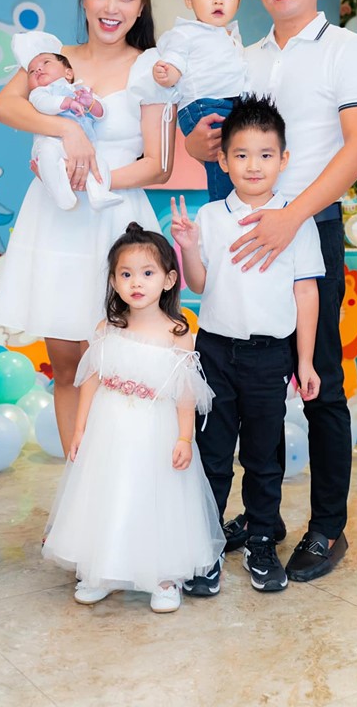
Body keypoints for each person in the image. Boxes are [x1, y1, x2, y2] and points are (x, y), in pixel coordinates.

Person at [184, 0, 357, 582]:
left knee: (318, 380)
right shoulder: (245, 57)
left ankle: (327, 527)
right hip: (245, 235)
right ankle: (258, 516)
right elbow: (217, 141)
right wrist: (196, 143)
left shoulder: (346, 49)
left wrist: (290, 217)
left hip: (308, 229)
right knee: (242, 388)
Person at [0, 0, 177, 455]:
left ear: (140, 6)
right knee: (68, 363)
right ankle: (80, 482)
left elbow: (159, 165)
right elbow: (4, 106)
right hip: (56, 222)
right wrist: (67, 131)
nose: (111, 8)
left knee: (122, 359)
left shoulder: (152, 68)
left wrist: (95, 176)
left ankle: (122, 479)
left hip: (118, 224)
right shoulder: (53, 60)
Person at [171, 95, 325, 594]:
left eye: (265, 154)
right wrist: (189, 248)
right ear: (223, 160)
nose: (253, 165)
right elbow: (199, 284)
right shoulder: (211, 215)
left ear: (283, 159)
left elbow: (306, 293)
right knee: (212, 456)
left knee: (263, 458)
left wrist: (305, 361)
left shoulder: (296, 220)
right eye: (241, 154)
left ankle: (261, 541)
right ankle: (207, 545)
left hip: (269, 356)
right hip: (215, 352)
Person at [42, 222, 225, 614]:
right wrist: (80, 429)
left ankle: (163, 577)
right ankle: (103, 570)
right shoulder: (107, 328)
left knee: (155, 496)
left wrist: (184, 437)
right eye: (125, 274)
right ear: (113, 281)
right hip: (109, 427)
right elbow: (90, 380)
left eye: (147, 273)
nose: (136, 283)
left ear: (169, 279)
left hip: (156, 430)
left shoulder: (178, 332)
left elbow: (185, 392)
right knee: (108, 493)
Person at [153, 0, 248, 201]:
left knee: (237, 162)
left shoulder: (232, 37)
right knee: (222, 160)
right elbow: (174, 57)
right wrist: (168, 72)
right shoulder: (186, 32)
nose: (218, 0)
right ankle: (222, 205)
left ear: (238, 1)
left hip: (230, 106)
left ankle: (234, 204)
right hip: (204, 106)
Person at [11, 30, 121, 212]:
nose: (38, 69)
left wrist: (91, 103)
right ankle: (60, 194)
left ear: (68, 73)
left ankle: (99, 194)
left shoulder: (79, 90)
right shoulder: (39, 93)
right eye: (31, 71)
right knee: (48, 156)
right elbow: (44, 105)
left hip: (83, 149)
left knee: (99, 164)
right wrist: (67, 103)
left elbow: (102, 114)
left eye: (46, 62)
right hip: (52, 142)